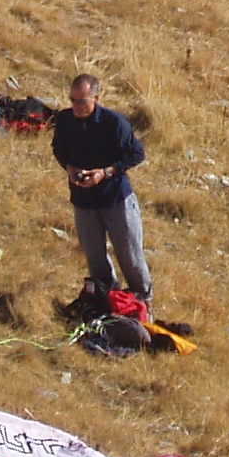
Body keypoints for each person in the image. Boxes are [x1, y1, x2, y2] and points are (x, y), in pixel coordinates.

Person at [50, 73, 151, 310]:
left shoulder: (114, 123)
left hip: (116, 198)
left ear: (97, 97)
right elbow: (58, 149)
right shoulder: (65, 121)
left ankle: (143, 303)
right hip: (83, 200)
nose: (76, 106)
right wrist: (70, 168)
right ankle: (107, 300)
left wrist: (104, 173)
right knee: (95, 257)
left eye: (82, 101)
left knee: (130, 255)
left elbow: (136, 154)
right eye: (72, 100)